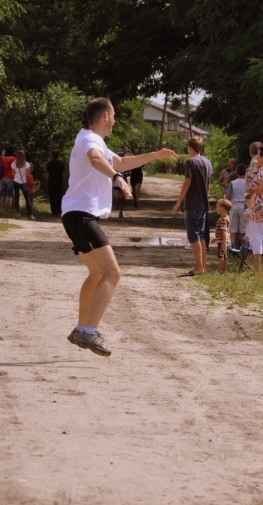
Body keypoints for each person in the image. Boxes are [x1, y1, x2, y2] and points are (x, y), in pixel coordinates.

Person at [62, 97, 177, 356]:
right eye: (113, 116)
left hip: (76, 214)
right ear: (105, 116)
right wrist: (116, 178)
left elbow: (122, 163)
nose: (114, 120)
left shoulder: (93, 140)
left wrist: (155, 155)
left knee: (96, 275)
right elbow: (95, 160)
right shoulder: (91, 141)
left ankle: (82, 327)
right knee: (112, 273)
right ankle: (89, 331)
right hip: (82, 215)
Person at [173, 136, 211, 277]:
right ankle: (203, 266)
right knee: (201, 235)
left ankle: (198, 267)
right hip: (202, 204)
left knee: (193, 237)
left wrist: (178, 202)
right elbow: (208, 186)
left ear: (190, 147)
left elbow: (187, 182)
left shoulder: (190, 162)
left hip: (192, 203)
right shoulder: (207, 162)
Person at [226, 163, 246, 248]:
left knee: (233, 227)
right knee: (243, 228)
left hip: (234, 205)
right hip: (243, 206)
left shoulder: (232, 183)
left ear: (237, 172)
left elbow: (228, 196)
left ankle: (233, 245)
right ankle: (243, 245)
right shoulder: (247, 183)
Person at [210, 198, 232, 274]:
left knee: (220, 256)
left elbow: (224, 231)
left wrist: (223, 242)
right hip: (223, 240)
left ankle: (220, 271)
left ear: (222, 208)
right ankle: (224, 271)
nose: (216, 208)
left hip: (222, 241)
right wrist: (216, 239)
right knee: (224, 255)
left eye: (217, 207)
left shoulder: (223, 219)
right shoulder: (226, 217)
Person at [11, 150, 33, 219]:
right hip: (23, 182)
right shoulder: (26, 164)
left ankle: (17, 213)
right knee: (27, 199)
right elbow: (27, 174)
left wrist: (17, 176)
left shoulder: (14, 163)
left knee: (16, 198)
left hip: (16, 182)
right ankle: (30, 215)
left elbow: (13, 174)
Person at [47, 149, 65, 216]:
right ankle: (59, 209)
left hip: (51, 180)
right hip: (59, 180)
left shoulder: (50, 163)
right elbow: (63, 170)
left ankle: (53, 210)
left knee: (52, 195)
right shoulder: (61, 163)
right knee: (59, 195)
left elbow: (48, 170)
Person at [0, 146, 16, 210]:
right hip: (10, 178)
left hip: (3, 177)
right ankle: (6, 209)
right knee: (8, 195)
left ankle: (1, 209)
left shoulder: (2, 158)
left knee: (2, 195)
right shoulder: (13, 159)